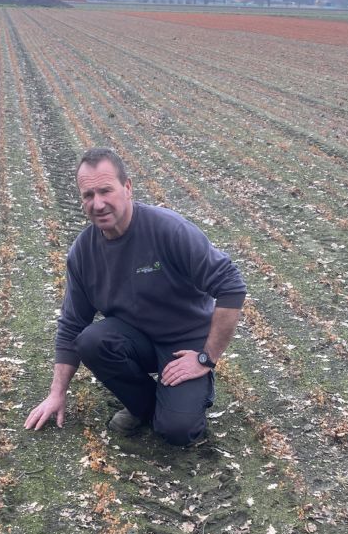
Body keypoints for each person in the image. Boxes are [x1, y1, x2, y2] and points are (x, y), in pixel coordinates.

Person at [24, 148, 246, 446]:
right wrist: (56, 393)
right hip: (134, 340)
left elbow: (231, 285)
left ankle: (183, 402)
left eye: (106, 190)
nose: (98, 203)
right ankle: (146, 405)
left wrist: (206, 358)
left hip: (184, 343)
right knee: (91, 340)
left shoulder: (168, 229)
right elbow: (72, 325)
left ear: (127, 188)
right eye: (88, 195)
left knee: (178, 432)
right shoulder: (83, 252)